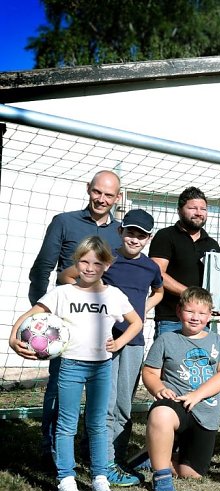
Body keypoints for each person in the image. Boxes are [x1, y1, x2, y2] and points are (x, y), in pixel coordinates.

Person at [10, 236, 142, 491]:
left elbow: (136, 322)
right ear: (76, 263)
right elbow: (29, 315)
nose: (89, 267)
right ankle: (66, 480)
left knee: (97, 423)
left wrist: (118, 342)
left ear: (107, 264)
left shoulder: (113, 295)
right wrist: (14, 339)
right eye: (84, 261)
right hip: (70, 365)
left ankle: (99, 478)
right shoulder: (62, 293)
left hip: (102, 368)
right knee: (66, 423)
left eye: (96, 262)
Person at [58, 209, 163, 487]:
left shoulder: (151, 267)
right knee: (104, 404)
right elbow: (68, 277)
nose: (134, 238)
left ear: (148, 238)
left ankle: (113, 457)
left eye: (141, 235)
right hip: (103, 341)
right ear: (120, 232)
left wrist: (141, 309)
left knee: (123, 405)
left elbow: (159, 291)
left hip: (133, 342)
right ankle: (101, 461)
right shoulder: (107, 261)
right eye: (130, 232)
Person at [27, 170, 124, 464]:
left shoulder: (121, 232)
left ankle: (90, 451)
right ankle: (52, 451)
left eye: (109, 195)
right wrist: (41, 320)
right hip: (66, 327)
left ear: (117, 198)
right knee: (59, 389)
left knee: (100, 397)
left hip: (103, 327)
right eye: (97, 192)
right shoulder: (64, 222)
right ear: (88, 190)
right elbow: (42, 269)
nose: (102, 199)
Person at [142, 287, 220, 491]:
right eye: (190, 311)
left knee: (191, 474)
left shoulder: (217, 341)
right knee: (160, 414)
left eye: (202, 313)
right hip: (176, 403)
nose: (195, 317)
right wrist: (159, 388)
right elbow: (149, 372)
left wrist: (197, 395)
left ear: (210, 315)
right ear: (179, 311)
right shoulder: (166, 339)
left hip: (205, 411)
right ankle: (162, 475)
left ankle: (155, 454)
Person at [149, 187, 220, 338]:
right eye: (192, 208)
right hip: (170, 319)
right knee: (168, 361)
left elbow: (218, 281)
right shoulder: (165, 236)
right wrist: (190, 295)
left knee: (199, 360)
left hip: (201, 321)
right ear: (179, 210)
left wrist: (219, 300)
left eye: (203, 209)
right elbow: (157, 273)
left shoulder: (212, 244)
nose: (199, 213)